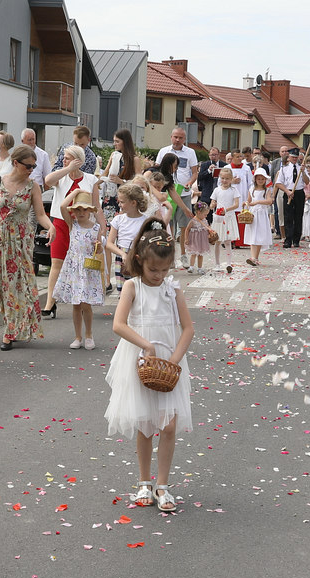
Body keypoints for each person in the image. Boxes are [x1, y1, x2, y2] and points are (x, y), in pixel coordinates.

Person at [105, 220, 194, 512]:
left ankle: (162, 485)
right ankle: (144, 482)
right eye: (154, 270)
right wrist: (145, 345)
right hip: (140, 361)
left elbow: (188, 328)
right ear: (140, 260)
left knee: (168, 426)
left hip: (168, 363)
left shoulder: (173, 289)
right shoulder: (133, 287)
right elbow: (119, 324)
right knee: (145, 425)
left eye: (165, 270)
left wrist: (174, 360)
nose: (159, 276)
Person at [0, 146, 54, 351]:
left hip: (21, 242)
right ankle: (13, 325)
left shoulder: (33, 186)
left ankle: (10, 331)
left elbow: (40, 215)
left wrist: (51, 227)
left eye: (34, 166)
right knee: (4, 285)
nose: (32, 170)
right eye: (28, 166)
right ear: (15, 163)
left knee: (19, 284)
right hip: (0, 241)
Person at [43, 145, 99, 319]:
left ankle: (82, 300)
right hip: (61, 223)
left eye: (67, 158)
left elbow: (96, 206)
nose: (63, 160)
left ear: (78, 160)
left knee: (82, 265)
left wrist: (102, 228)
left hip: (83, 225)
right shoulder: (61, 176)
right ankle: (50, 302)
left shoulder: (90, 179)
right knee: (56, 263)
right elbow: (48, 181)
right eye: (63, 158)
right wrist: (67, 169)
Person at [54, 190, 106, 350]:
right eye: (77, 209)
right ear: (74, 212)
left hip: (87, 269)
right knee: (76, 304)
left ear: (90, 210)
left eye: (84, 209)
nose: (81, 213)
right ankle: (78, 336)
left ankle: (89, 334)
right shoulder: (72, 224)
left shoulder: (96, 228)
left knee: (86, 304)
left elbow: (99, 249)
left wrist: (98, 247)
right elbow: (62, 206)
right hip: (73, 268)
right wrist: (76, 191)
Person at [155, 128, 198, 268]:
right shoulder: (163, 151)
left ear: (184, 139)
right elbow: (155, 173)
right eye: (175, 137)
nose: (177, 140)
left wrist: (190, 183)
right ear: (171, 137)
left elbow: (194, 172)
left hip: (183, 194)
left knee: (184, 225)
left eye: (180, 138)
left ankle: (183, 255)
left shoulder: (190, 152)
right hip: (163, 198)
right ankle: (170, 256)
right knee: (169, 226)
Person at [105, 183, 149, 290]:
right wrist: (122, 254)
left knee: (140, 289)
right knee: (124, 290)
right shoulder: (118, 219)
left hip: (139, 258)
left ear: (133, 203)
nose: (119, 204)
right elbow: (109, 243)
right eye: (119, 201)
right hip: (122, 259)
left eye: (122, 202)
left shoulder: (145, 221)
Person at [100, 129, 142, 225]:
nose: (114, 144)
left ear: (125, 142)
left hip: (125, 198)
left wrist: (122, 181)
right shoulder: (114, 155)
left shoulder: (134, 160)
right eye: (114, 141)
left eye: (117, 141)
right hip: (110, 196)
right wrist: (93, 183)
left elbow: (139, 182)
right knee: (108, 225)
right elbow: (105, 173)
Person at [210, 167, 239, 272]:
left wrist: (226, 210)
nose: (225, 180)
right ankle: (217, 264)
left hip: (228, 217)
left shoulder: (234, 190)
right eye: (222, 178)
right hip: (219, 218)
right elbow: (211, 204)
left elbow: (236, 204)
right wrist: (213, 204)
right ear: (219, 178)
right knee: (217, 241)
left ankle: (229, 263)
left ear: (231, 179)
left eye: (227, 178)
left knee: (227, 241)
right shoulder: (217, 190)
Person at [275, 147, 305, 248]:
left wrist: (303, 172)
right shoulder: (284, 169)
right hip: (288, 192)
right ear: (289, 157)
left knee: (298, 216)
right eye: (293, 157)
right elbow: (278, 183)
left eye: (296, 157)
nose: (295, 159)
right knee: (288, 217)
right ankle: (288, 239)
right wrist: (287, 191)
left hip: (299, 193)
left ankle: (296, 240)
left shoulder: (301, 168)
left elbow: (307, 181)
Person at [244, 168, 274, 266]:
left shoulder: (267, 190)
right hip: (253, 214)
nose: (260, 181)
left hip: (261, 214)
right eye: (258, 179)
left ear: (265, 179)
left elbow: (269, 201)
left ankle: (255, 258)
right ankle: (253, 257)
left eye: (262, 179)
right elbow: (249, 200)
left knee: (259, 235)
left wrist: (257, 202)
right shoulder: (251, 189)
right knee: (253, 235)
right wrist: (246, 204)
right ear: (255, 179)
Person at [194, 147, 225, 219]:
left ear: (219, 155)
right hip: (207, 193)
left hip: (220, 192)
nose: (213, 157)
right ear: (209, 155)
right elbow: (200, 177)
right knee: (206, 215)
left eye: (215, 155)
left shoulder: (224, 165)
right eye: (211, 155)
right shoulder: (204, 165)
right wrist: (209, 170)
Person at [184, 201, 211, 274]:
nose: (206, 216)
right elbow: (187, 229)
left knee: (200, 254)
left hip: (202, 240)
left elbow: (207, 227)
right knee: (194, 253)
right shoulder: (193, 221)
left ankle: (199, 268)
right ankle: (191, 267)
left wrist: (210, 233)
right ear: (199, 212)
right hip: (194, 240)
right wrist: (186, 238)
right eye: (205, 214)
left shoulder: (204, 220)